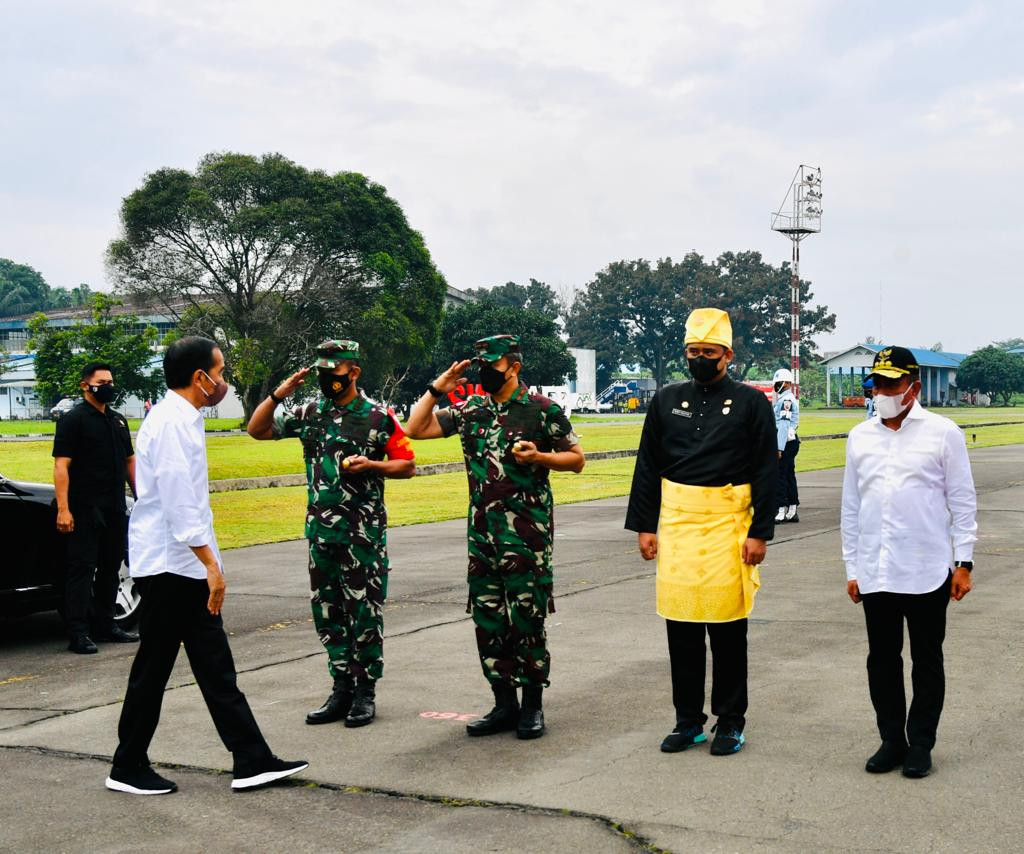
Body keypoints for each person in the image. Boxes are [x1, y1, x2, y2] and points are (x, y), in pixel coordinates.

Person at [107, 336, 307, 796]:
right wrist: (210, 565)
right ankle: (128, 765)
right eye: (220, 373)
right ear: (200, 377)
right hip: (173, 566)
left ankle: (251, 759)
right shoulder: (173, 422)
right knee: (159, 669)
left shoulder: (180, 417)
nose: (224, 381)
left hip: (177, 563)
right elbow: (179, 501)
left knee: (210, 666)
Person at [405, 335, 585, 740]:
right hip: (482, 536)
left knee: (527, 618)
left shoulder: (542, 411)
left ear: (514, 366)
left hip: (527, 536)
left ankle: (532, 705)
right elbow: (415, 429)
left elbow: (576, 459)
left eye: (493, 364)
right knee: (488, 619)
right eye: (481, 364)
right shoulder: (472, 409)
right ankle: (503, 703)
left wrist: (541, 458)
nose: (486, 371)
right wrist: (438, 389)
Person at [625, 308, 776, 757]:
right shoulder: (666, 398)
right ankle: (688, 720)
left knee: (728, 629)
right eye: (693, 352)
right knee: (682, 627)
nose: (700, 359)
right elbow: (648, 464)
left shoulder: (751, 403)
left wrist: (759, 531)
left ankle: (730, 722)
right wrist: (644, 526)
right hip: (677, 523)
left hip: (729, 525)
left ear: (728, 355)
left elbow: (767, 470)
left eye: (708, 352)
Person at [247, 339, 416, 728]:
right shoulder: (310, 412)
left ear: (353, 372)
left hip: (362, 535)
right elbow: (257, 431)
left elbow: (406, 464)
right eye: (322, 372)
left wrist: (373, 465)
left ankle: (364, 692)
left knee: (364, 612)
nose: (327, 379)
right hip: (321, 533)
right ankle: (340, 687)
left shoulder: (377, 417)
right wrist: (277, 395)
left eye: (334, 372)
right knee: (328, 613)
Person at [841, 346, 977, 779]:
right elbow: (851, 507)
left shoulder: (943, 433)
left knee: (926, 659)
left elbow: (962, 501)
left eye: (891, 384)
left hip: (926, 569)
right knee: (881, 659)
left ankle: (920, 743)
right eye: (876, 383)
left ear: (913, 387)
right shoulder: (860, 437)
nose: (881, 391)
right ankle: (891, 741)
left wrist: (964, 562)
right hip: (876, 570)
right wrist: (852, 568)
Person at [52, 362, 138, 654]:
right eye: (102, 382)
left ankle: (105, 624)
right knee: (82, 568)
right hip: (84, 507)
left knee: (111, 567)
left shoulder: (117, 421)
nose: (108, 386)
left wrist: (141, 496)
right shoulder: (73, 420)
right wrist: (64, 509)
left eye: (111, 381)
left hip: (114, 505)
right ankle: (78, 632)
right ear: (85, 386)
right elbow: (61, 465)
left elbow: (129, 462)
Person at [772, 368, 800, 524]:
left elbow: (783, 425)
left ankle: (781, 509)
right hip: (790, 441)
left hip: (785, 443)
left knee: (780, 475)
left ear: (787, 383)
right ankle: (792, 508)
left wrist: (779, 448)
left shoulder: (785, 401)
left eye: (779, 383)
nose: (776, 386)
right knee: (788, 475)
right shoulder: (785, 399)